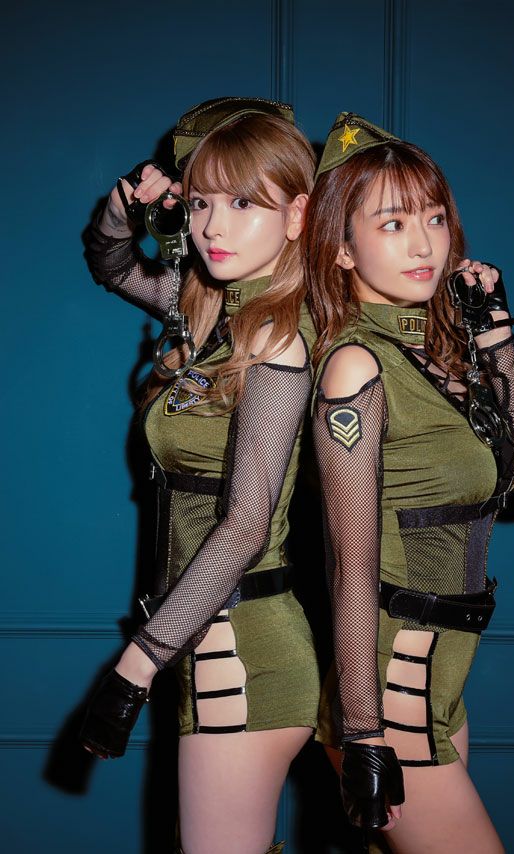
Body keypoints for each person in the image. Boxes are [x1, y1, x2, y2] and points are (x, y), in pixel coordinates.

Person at [303, 113, 514, 852]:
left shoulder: (442, 358)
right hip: (391, 687)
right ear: (341, 248)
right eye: (392, 223)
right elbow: (351, 564)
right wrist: (363, 731)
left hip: (444, 675)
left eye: (435, 217)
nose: (424, 244)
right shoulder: (358, 366)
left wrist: (496, 335)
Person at [80, 97, 321, 854]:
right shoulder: (212, 314)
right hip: (201, 637)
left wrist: (134, 667)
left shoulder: (277, 338)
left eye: (244, 203)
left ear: (297, 215)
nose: (216, 226)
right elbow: (110, 263)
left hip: (241, 646)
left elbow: (246, 525)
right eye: (204, 202)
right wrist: (125, 204)